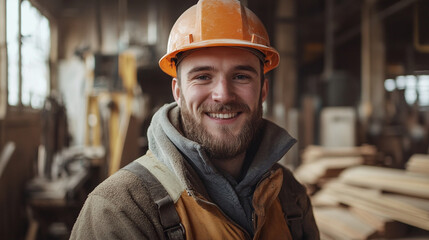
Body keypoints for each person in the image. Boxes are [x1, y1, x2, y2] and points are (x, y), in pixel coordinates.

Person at [70, 0, 319, 239]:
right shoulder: (120, 209)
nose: (222, 95)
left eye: (241, 76)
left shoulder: (289, 197)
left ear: (263, 91)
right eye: (202, 76)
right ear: (178, 92)